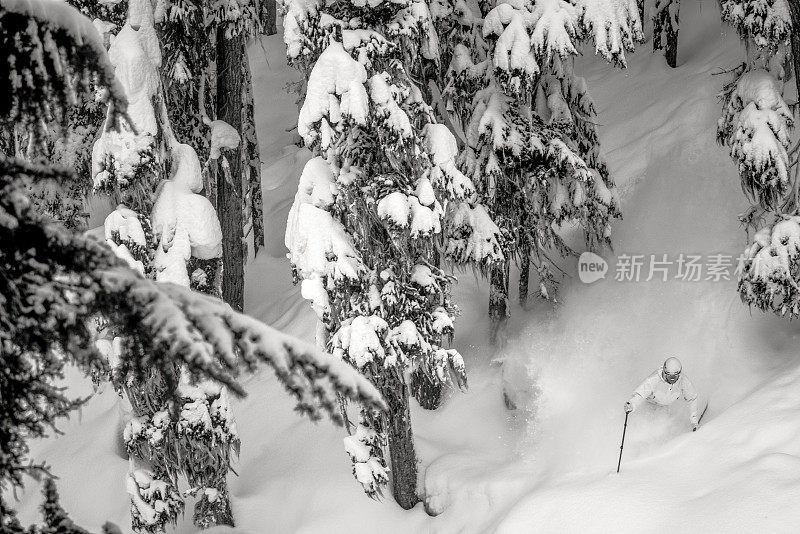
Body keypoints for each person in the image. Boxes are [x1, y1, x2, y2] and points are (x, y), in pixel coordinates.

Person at [624, 357, 701, 431]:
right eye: (669, 376)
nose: (672, 379)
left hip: (665, 406)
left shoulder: (683, 381)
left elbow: (692, 398)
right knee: (648, 425)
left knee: (662, 427)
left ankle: (665, 442)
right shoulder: (654, 379)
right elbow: (641, 394)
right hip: (651, 404)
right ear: (664, 372)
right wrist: (632, 404)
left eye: (675, 376)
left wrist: (694, 421)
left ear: (679, 374)